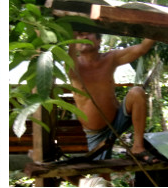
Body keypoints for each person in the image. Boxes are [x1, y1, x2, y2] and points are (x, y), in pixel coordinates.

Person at [67, 31, 156, 169]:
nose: (83, 37)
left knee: (137, 92)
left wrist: (156, 29)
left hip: (117, 120)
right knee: (102, 177)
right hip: (95, 134)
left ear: (99, 42)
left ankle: (137, 147)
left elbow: (142, 48)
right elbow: (69, 64)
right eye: (79, 35)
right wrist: (71, 37)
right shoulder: (73, 66)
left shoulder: (110, 58)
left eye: (88, 34)